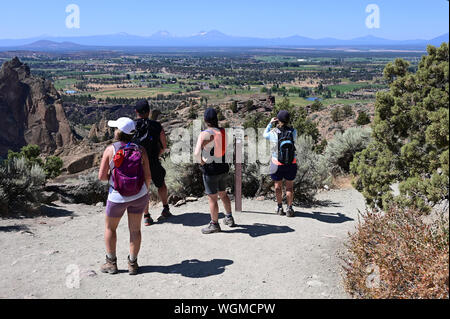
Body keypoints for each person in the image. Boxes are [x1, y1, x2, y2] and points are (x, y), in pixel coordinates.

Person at [98, 117, 152, 275]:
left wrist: (115, 177)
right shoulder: (141, 150)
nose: (114, 131)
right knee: (135, 230)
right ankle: (133, 264)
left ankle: (111, 263)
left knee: (110, 228)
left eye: (115, 128)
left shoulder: (110, 150)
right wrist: (144, 192)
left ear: (119, 132)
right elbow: (148, 176)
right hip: (139, 195)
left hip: (117, 196)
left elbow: (101, 176)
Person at [194, 108, 236, 234]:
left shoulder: (204, 134)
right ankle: (229, 218)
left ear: (206, 120)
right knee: (223, 194)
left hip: (211, 170)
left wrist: (202, 162)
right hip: (223, 167)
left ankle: (214, 224)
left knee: (212, 198)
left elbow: (196, 154)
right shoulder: (223, 132)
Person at [133, 100, 172, 226]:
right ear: (149, 111)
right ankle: (165, 209)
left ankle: (146, 216)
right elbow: (164, 146)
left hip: (139, 163)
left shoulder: (131, 127)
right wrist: (156, 155)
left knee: (144, 189)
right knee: (161, 185)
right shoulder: (156, 126)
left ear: (136, 112)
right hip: (154, 160)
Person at [263, 110, 298, 217]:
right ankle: (289, 208)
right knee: (289, 187)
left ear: (278, 119)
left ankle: (279, 207)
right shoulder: (293, 131)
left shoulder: (273, 132)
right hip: (291, 163)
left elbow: (264, 135)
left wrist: (270, 123)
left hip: (276, 163)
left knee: (277, 186)